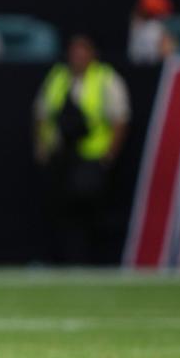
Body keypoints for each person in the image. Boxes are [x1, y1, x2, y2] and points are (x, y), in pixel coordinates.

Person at [33, 35, 130, 264]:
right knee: (58, 210)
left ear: (92, 54)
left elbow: (120, 119)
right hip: (61, 157)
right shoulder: (58, 77)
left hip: (91, 156)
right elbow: (40, 113)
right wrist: (41, 146)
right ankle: (63, 259)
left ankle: (91, 259)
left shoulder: (105, 78)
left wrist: (109, 155)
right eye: (74, 52)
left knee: (87, 207)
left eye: (83, 52)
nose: (78, 57)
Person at [128, 0, 176, 64]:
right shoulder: (153, 28)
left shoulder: (139, 24)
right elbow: (168, 50)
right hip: (151, 68)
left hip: (143, 65)